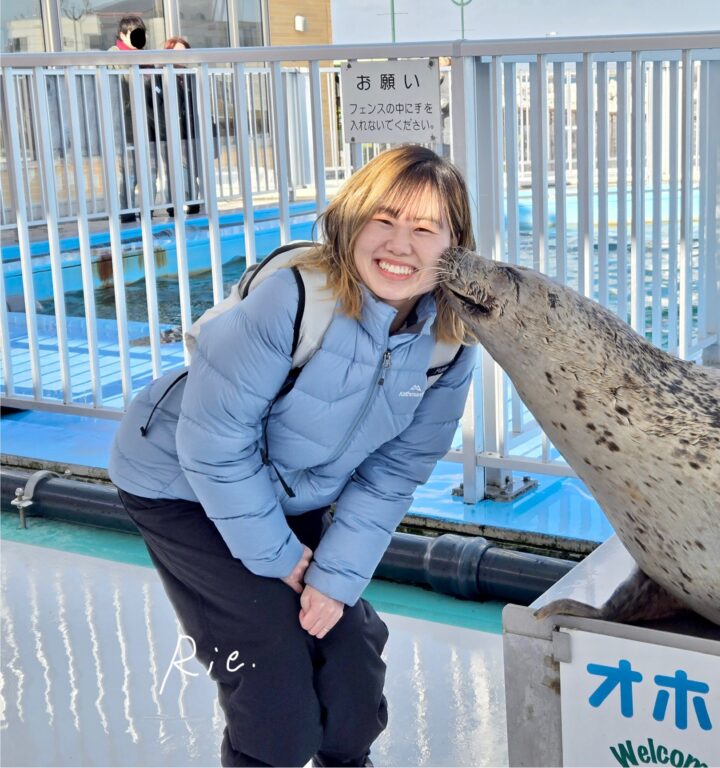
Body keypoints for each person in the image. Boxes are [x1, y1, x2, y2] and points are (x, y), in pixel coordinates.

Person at [108, 145, 477, 767]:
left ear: (454, 244)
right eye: (382, 218)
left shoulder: (449, 344)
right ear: (350, 220)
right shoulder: (296, 297)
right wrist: (279, 558)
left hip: (290, 493)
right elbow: (214, 446)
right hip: (180, 485)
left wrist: (332, 579)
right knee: (276, 696)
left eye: (425, 227)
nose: (399, 244)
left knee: (352, 681)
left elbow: (394, 476)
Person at [109, 15, 165, 223]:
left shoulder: (147, 58)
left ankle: (148, 211)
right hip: (125, 126)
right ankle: (126, 213)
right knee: (128, 171)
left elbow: (157, 94)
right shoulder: (113, 56)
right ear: (123, 35)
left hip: (149, 124)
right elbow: (120, 87)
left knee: (151, 169)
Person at [162, 36, 202, 216]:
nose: (182, 56)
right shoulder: (162, 77)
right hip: (169, 133)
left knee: (191, 168)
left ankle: (193, 203)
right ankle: (174, 206)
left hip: (190, 132)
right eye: (178, 52)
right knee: (174, 170)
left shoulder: (192, 77)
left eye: (185, 52)